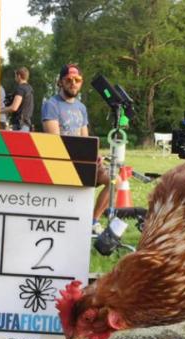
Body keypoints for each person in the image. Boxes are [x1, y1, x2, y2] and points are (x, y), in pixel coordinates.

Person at [42, 64, 121, 233]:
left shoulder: (81, 108)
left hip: (84, 162)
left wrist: (95, 155)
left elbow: (86, 139)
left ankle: (92, 221)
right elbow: (54, 141)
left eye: (77, 80)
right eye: (68, 80)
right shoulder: (51, 105)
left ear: (81, 82)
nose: (73, 83)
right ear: (60, 82)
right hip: (62, 164)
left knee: (115, 181)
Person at [2, 67, 34, 131]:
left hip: (19, 124)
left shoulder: (21, 89)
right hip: (26, 124)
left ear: (19, 76)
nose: (15, 78)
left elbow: (14, 107)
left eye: (15, 76)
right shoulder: (29, 88)